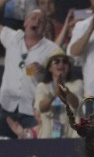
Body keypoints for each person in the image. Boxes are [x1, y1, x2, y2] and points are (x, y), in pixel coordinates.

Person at [0, 9, 59, 138]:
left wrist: (43, 70)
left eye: (41, 21)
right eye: (33, 18)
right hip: (5, 106)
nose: (36, 22)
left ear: (45, 28)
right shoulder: (13, 37)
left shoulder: (52, 49)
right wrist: (3, 0)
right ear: (25, 22)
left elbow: (60, 75)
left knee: (32, 146)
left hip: (31, 110)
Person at [34, 50, 83, 138]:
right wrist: (54, 93)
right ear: (50, 68)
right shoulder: (42, 87)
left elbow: (76, 104)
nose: (61, 64)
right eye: (57, 61)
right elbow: (41, 108)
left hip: (71, 137)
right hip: (48, 137)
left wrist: (66, 91)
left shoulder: (77, 84)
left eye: (65, 62)